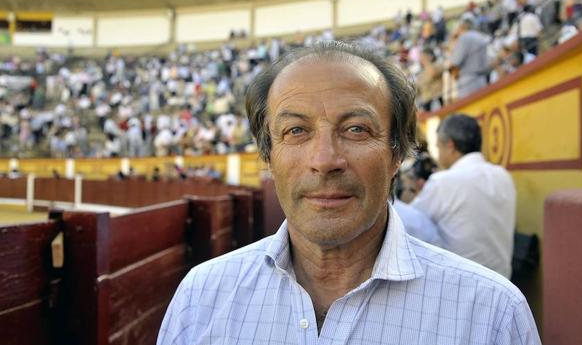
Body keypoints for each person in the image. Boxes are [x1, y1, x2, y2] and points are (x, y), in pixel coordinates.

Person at [157, 42, 540, 344]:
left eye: (356, 129)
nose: (325, 160)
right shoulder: (200, 297)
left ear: (397, 154)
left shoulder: (492, 313)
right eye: (296, 131)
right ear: (268, 157)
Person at [411, 114, 516, 278]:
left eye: (439, 147)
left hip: (460, 286)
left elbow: (411, 223)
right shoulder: (503, 176)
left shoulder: (442, 182)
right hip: (502, 282)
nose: (438, 154)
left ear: (451, 146)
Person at [449, 19, 490, 98]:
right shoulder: (480, 35)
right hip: (481, 79)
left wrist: (452, 41)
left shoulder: (464, 37)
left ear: (462, 27)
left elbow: (455, 61)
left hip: (467, 80)